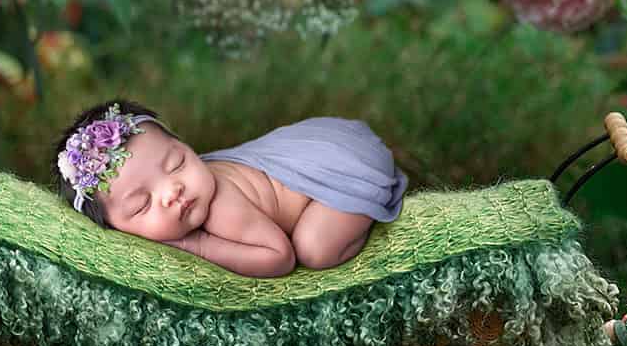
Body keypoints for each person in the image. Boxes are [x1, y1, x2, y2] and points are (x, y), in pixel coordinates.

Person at [50, 99, 408, 277]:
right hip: (324, 137)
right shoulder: (189, 190)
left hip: (343, 163)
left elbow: (278, 258)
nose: (172, 191)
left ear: (185, 145)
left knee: (314, 249)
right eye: (143, 204)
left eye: (177, 164)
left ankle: (366, 210)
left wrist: (198, 245)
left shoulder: (221, 207)